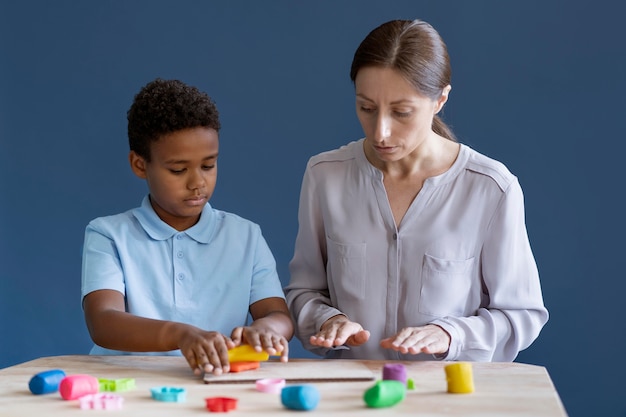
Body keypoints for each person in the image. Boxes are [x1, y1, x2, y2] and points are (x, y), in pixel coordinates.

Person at [285, 19, 548, 362]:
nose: (380, 132)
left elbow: (521, 316)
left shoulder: (491, 188)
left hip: (447, 400)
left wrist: (449, 334)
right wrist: (328, 319)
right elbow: (304, 291)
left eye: (401, 112)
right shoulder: (325, 175)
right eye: (366, 107)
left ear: (440, 99)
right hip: (350, 397)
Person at [81, 78, 293, 375]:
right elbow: (103, 321)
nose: (197, 183)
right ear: (140, 165)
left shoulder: (245, 236)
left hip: (215, 383)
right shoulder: (109, 235)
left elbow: (276, 314)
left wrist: (266, 329)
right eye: (178, 170)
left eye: (208, 165)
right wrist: (181, 335)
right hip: (126, 387)